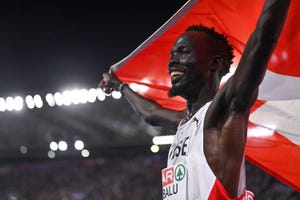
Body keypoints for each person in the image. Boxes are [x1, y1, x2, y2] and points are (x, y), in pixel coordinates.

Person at [99, 0, 291, 199]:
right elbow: (150, 114)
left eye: (183, 52)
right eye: (172, 55)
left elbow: (261, 42)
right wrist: (120, 86)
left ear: (215, 64)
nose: (172, 61)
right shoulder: (186, 121)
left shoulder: (223, 113)